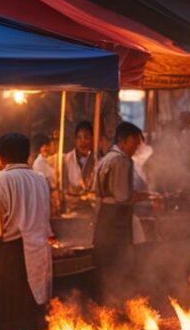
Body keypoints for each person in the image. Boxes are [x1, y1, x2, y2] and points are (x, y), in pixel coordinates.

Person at [0, 133, 53, 330]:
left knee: (13, 319)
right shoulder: (41, 179)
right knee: (37, 316)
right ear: (27, 154)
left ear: (1, 157)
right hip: (41, 252)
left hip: (14, 256)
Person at [92, 122, 157, 302]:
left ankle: (106, 307)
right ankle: (118, 308)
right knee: (118, 268)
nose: (136, 147)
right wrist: (149, 197)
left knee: (104, 270)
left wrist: (150, 195)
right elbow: (123, 197)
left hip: (104, 220)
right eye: (135, 142)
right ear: (124, 140)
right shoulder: (122, 161)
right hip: (116, 223)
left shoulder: (106, 158)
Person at [62, 121, 97, 197]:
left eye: (86, 137)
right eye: (79, 138)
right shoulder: (67, 160)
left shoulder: (97, 161)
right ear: (75, 140)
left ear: (92, 139)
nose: (83, 141)